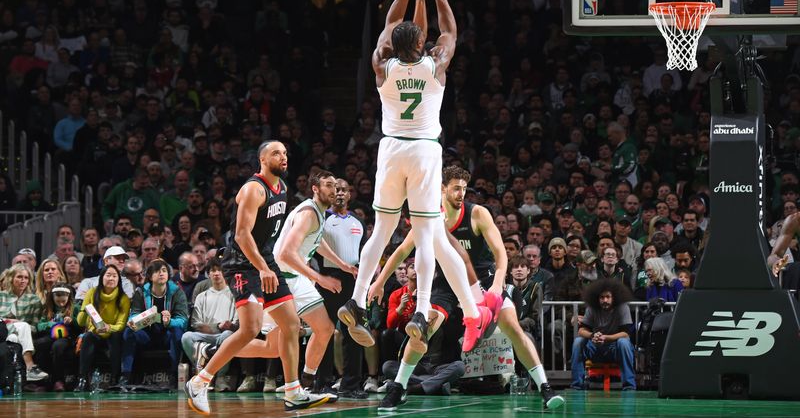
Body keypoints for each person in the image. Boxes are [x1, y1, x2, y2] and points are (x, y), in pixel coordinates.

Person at [339, 0, 492, 355]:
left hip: (389, 149)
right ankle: (422, 310)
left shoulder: (381, 66)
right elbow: (451, 34)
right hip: (424, 151)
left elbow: (391, 25)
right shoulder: (434, 66)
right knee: (426, 235)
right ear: (423, 45)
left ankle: (355, 301)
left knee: (382, 230)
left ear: (393, 45)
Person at [368, 166, 564, 410]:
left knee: (513, 326)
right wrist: (378, 281)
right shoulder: (430, 217)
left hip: (481, 280)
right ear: (442, 189)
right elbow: (402, 251)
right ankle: (398, 387)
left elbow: (501, 253)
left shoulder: (477, 214)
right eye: (456, 189)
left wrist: (497, 281)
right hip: (445, 282)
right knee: (423, 328)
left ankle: (545, 387)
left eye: (464, 188)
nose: (461, 193)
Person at [185, 140, 328, 414]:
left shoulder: (283, 189)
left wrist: (268, 265)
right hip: (242, 265)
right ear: (262, 159)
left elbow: (267, 237)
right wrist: (262, 268)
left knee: (290, 325)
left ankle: (294, 391)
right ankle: (200, 381)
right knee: (250, 328)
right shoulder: (253, 189)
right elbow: (241, 234)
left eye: (285, 153)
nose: (283, 157)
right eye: (276, 153)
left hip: (266, 262)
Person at [317, 178, 371, 397]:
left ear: (350, 195)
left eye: (344, 190)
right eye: (335, 189)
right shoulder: (322, 218)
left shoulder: (357, 221)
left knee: (354, 332)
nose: (339, 193)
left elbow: (366, 253)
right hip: (327, 278)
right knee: (325, 331)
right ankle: (322, 383)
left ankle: (351, 385)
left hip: (353, 282)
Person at [121, 259, 188, 387]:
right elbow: (134, 314)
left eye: (164, 271)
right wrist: (136, 321)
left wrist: (169, 322)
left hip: (167, 334)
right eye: (157, 271)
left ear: (168, 275)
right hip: (147, 334)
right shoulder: (140, 292)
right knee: (129, 332)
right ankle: (126, 377)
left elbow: (183, 320)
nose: (161, 274)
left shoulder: (177, 292)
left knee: (177, 331)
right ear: (150, 276)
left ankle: (174, 376)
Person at [570, 278, 636, 390]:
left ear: (614, 298)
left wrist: (606, 337)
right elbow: (581, 330)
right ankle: (577, 385)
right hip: (596, 347)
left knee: (624, 342)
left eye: (608, 297)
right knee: (578, 341)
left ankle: (629, 385)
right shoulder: (592, 308)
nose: (605, 300)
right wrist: (592, 336)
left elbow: (626, 333)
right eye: (602, 297)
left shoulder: (622, 307)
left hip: (615, 348)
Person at [181, 261, 237, 390]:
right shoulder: (202, 296)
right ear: (209, 274)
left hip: (223, 335)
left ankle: (221, 377)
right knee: (187, 336)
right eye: (213, 270)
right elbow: (195, 322)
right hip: (204, 335)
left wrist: (229, 326)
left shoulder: (234, 294)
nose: (216, 273)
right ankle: (202, 373)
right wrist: (211, 326)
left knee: (228, 336)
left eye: (219, 270)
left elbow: (236, 323)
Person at [75, 265, 130, 391]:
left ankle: (114, 379)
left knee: (116, 337)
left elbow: (121, 325)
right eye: (108, 275)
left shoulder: (123, 298)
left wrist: (108, 327)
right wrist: (84, 311)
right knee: (88, 337)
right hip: (94, 332)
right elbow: (80, 322)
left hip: (112, 332)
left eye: (114, 276)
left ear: (118, 280)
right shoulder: (92, 293)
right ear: (101, 278)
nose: (111, 278)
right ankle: (82, 380)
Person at [0, 263, 49, 381]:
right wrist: (10, 321)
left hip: (18, 334)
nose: (23, 280)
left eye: (26, 278)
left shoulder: (34, 300)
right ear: (11, 278)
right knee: (21, 326)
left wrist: (20, 325)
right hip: (1, 329)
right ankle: (30, 367)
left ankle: (11, 380)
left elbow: (35, 327)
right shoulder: (1, 296)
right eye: (19, 277)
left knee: (16, 337)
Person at [33, 283, 77, 391]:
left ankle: (58, 380)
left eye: (63, 301)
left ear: (69, 297)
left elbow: (81, 323)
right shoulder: (47, 309)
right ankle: (44, 380)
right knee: (40, 343)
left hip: (67, 338)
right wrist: (51, 324)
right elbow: (39, 326)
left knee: (58, 346)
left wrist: (72, 321)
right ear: (52, 298)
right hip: (50, 335)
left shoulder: (75, 308)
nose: (61, 303)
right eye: (58, 300)